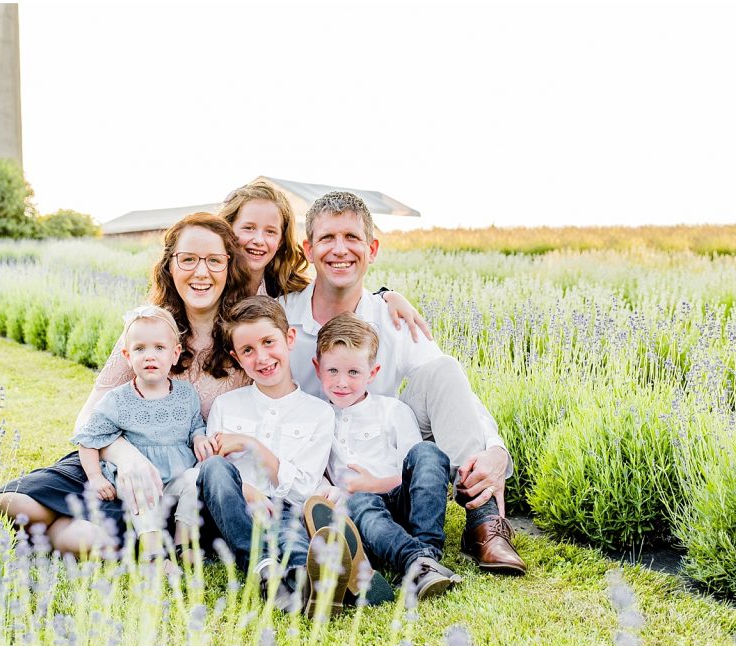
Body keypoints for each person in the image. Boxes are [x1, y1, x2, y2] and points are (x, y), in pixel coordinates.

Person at [281, 191, 526, 576]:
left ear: (372, 249)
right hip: (322, 467)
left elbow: (452, 389)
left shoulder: (391, 316)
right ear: (308, 249)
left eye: (352, 237)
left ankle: (483, 521)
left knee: (443, 368)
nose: (340, 249)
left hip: (388, 454)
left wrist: (495, 448)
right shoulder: (284, 316)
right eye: (327, 238)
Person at [0, 212, 252, 555]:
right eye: (188, 259)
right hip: (117, 465)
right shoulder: (148, 327)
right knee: (14, 502)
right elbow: (89, 418)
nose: (201, 271)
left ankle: (81, 532)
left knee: (111, 528)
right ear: (169, 266)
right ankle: (77, 525)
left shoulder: (243, 337)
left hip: (177, 481)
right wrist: (125, 456)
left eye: (214, 261)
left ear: (229, 266)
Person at [198, 295, 344, 614]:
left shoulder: (319, 414)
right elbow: (211, 472)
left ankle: (305, 580)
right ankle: (266, 571)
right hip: (230, 515)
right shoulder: (227, 406)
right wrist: (247, 491)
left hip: (284, 509)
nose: (261, 357)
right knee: (214, 472)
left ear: (289, 338)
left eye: (268, 342)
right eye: (248, 350)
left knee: (288, 527)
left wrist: (254, 446)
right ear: (237, 357)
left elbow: (304, 489)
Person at [313, 312, 464, 598]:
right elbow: (316, 470)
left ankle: (425, 552)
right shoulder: (319, 417)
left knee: (428, 452)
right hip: (363, 512)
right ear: (317, 368)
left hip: (404, 503)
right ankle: (418, 563)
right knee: (360, 503)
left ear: (373, 372)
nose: (342, 382)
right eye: (332, 371)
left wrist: (375, 484)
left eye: (354, 372)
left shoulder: (391, 410)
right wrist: (330, 489)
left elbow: (415, 472)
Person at [70, 304, 215, 561]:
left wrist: (199, 437)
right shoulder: (119, 399)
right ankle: (154, 552)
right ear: (127, 356)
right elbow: (88, 438)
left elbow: (195, 425)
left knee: (195, 478)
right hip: (139, 481)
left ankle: (183, 543)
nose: (150, 356)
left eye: (159, 348)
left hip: (175, 479)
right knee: (139, 487)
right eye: (140, 349)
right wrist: (95, 477)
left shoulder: (185, 395)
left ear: (175, 354)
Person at [220, 180, 432, 340]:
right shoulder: (210, 280)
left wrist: (386, 296)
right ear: (228, 229)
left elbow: (336, 292)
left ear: (282, 240)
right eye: (248, 228)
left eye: (270, 232)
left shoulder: (284, 289)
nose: (259, 240)